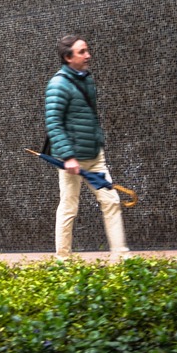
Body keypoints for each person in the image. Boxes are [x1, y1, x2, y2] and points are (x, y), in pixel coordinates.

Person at [45, 34, 130, 261]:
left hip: (94, 154)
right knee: (69, 208)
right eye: (82, 52)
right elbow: (54, 123)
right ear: (68, 57)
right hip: (72, 158)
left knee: (111, 201)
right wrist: (68, 156)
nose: (88, 55)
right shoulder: (58, 84)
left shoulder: (86, 79)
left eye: (86, 50)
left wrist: (97, 141)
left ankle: (121, 258)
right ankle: (63, 260)